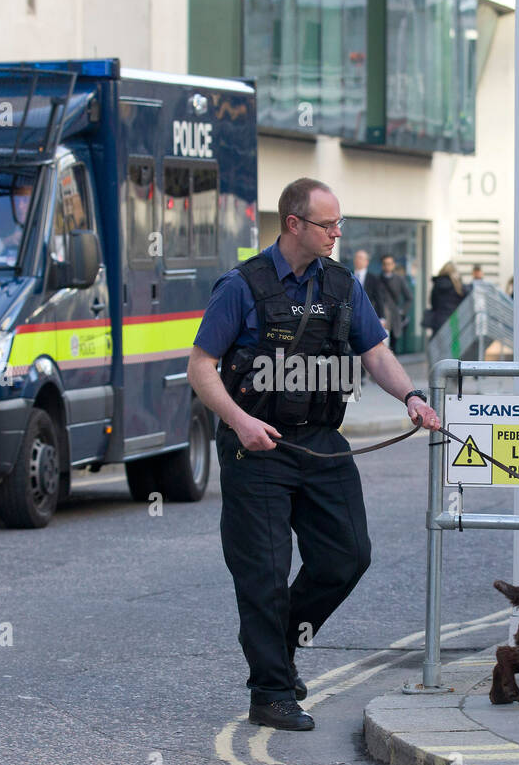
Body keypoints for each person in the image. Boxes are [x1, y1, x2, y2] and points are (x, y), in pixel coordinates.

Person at [188, 178, 440, 731]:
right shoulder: (242, 286)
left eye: (339, 223)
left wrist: (413, 397)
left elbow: (374, 351)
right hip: (257, 447)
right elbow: (201, 366)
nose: (337, 233)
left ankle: (277, 642)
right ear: (294, 224)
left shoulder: (343, 285)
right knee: (265, 574)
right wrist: (240, 420)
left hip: (322, 442)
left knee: (347, 557)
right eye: (328, 224)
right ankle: (271, 691)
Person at [423, 261, 466, 336]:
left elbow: (433, 302)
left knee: (438, 344)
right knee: (454, 345)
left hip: (439, 320)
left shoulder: (437, 284)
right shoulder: (457, 285)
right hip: (454, 321)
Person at [379, 253, 412, 346]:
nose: (387, 266)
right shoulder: (377, 279)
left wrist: (402, 312)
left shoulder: (399, 279)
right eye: (385, 264)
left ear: (393, 265)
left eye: (389, 264)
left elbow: (409, 297)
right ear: (382, 265)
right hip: (381, 318)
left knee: (393, 347)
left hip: (394, 318)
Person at [353, 248, 387, 328]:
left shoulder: (374, 279)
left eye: (360, 258)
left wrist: (381, 317)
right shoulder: (348, 275)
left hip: (367, 316)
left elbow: (378, 298)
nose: (357, 260)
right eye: (356, 258)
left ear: (367, 262)